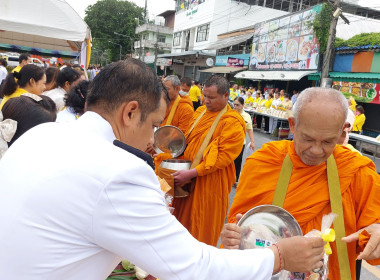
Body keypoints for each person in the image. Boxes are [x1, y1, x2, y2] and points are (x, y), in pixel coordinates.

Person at [0, 58, 325, 280]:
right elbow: (191, 267)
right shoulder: (119, 172)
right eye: (154, 126)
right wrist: (278, 257)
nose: (152, 143)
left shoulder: (43, 133)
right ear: (130, 113)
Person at [223, 87, 380, 280]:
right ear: (293, 125)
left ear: (341, 132)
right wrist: (233, 237)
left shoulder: (357, 172)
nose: (316, 150)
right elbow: (240, 230)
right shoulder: (263, 163)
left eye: (328, 142)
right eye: (308, 139)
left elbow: (373, 232)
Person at [171, 75, 246, 246]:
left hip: (210, 185)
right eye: (205, 96)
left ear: (226, 96)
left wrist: (191, 173)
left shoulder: (233, 123)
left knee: (200, 233)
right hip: (186, 179)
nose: (206, 100)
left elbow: (220, 158)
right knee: (178, 228)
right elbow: (187, 141)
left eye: (211, 97)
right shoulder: (200, 112)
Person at [233, 97, 255, 182]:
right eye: (234, 105)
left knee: (237, 162)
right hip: (229, 142)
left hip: (240, 143)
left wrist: (252, 142)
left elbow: (249, 129)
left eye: (238, 105)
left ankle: (235, 180)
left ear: (242, 105)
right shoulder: (230, 114)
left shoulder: (247, 116)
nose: (235, 107)